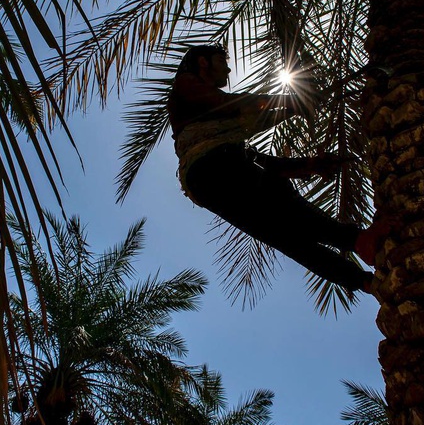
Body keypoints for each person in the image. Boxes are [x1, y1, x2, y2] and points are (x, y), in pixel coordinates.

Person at [167, 44, 390, 294]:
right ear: (203, 63)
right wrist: (291, 103)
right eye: (221, 60)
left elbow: (262, 161)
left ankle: (365, 282)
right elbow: (232, 105)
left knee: (284, 236)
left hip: (205, 182)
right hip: (211, 169)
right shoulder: (186, 84)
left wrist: (309, 165)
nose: (228, 68)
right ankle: (359, 242)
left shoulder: (220, 136)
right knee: (283, 200)